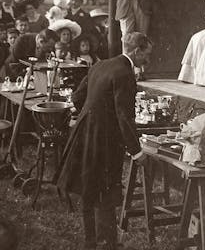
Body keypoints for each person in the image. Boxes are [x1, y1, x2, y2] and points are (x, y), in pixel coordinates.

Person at [56, 32, 151, 250]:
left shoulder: (101, 65)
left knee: (89, 189)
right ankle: (106, 244)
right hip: (104, 141)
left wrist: (93, 119)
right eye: (147, 54)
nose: (148, 59)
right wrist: (137, 152)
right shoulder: (125, 74)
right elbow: (124, 117)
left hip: (84, 133)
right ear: (136, 51)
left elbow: (78, 98)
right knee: (105, 192)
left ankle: (93, 242)